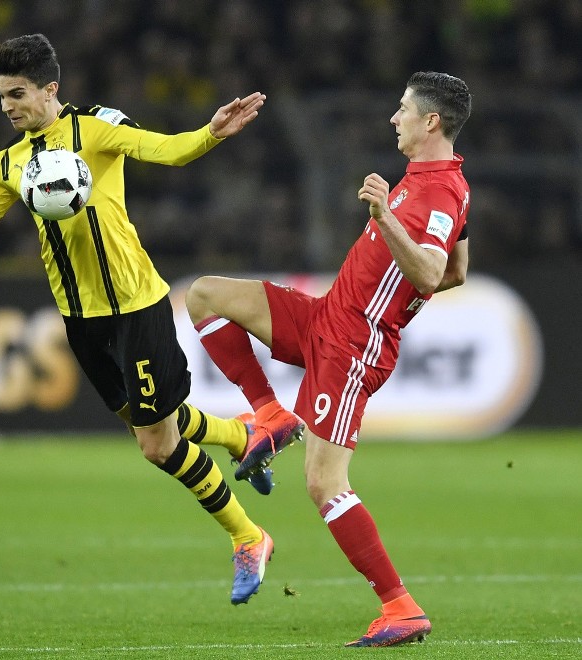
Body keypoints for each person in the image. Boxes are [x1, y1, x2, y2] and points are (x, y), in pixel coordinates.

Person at [0, 33, 303, 605]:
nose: (6, 106)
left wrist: (210, 134)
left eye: (16, 93)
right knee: (149, 426)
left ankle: (248, 536)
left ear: (51, 90)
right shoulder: (10, 165)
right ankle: (248, 435)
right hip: (80, 321)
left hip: (136, 306)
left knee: (157, 444)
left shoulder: (96, 129)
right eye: (0, 96)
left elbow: (164, 150)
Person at [185, 71, 472, 644]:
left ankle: (400, 607)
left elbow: (435, 273)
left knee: (323, 482)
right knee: (205, 296)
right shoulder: (437, 183)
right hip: (326, 318)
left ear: (431, 121)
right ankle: (268, 414)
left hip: (354, 344)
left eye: (403, 109)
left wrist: (384, 220)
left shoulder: (439, 191)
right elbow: (460, 272)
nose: (395, 118)